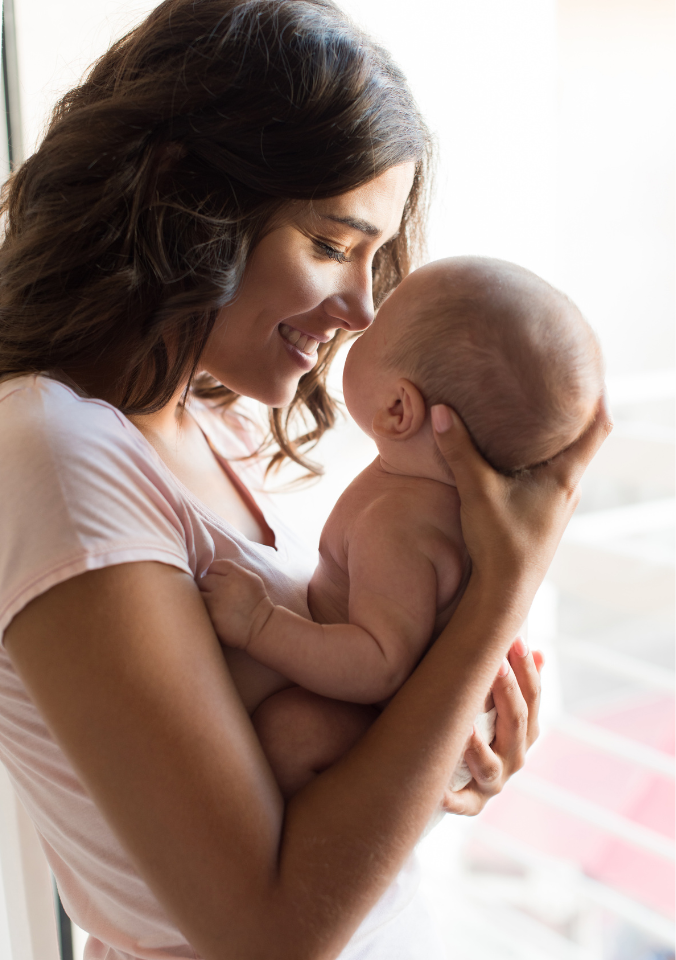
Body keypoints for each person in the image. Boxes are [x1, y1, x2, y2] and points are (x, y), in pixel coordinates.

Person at [0, 2, 611, 959]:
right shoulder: (55, 454)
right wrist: (503, 589)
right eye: (331, 246)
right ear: (187, 201)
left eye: (376, 258)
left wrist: (441, 750)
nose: (364, 310)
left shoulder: (215, 421)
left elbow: (326, 804)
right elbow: (270, 934)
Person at [200, 256, 605, 799]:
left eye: (378, 325)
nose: (362, 319)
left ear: (397, 409)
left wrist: (259, 624)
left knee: (290, 733)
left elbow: (377, 664)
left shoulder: (400, 525)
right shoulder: (434, 498)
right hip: (441, 727)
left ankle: (312, 834)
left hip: (414, 735)